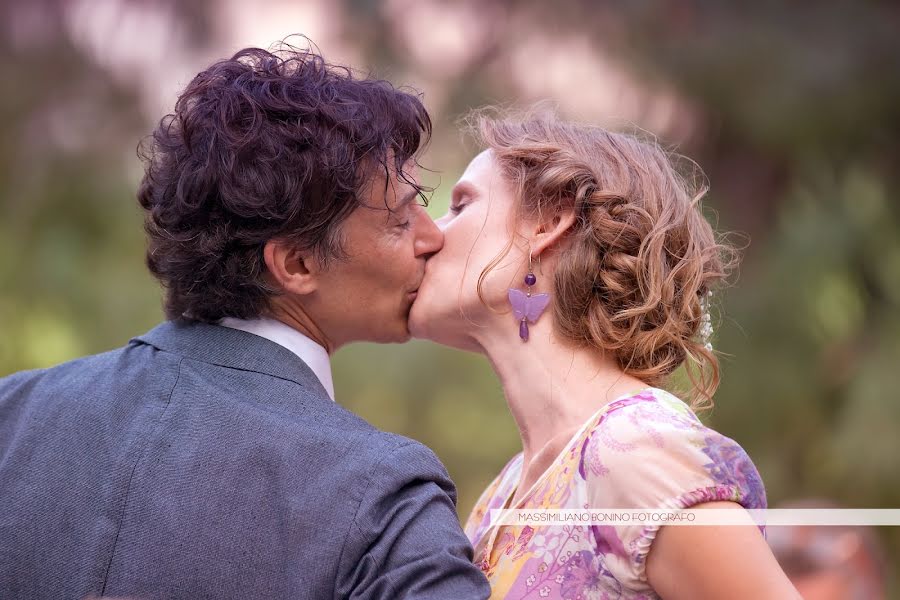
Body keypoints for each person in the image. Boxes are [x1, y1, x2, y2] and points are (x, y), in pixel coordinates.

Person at [0, 45, 490, 599]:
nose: (433, 237)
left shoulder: (12, 411)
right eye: (400, 220)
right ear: (297, 264)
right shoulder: (379, 493)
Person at [410, 109, 801, 598]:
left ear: (549, 221)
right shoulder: (503, 495)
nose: (429, 236)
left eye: (461, 204)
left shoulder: (639, 451)